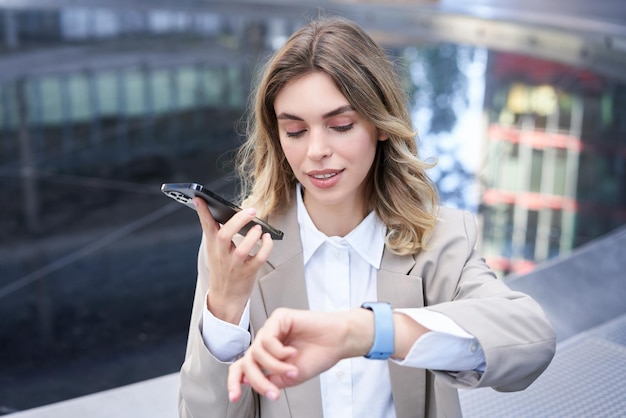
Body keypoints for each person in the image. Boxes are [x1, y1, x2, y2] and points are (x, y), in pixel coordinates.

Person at [179, 16, 556, 418]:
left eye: (340, 125)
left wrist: (367, 332)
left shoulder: (441, 237)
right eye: (295, 131)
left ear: (379, 123)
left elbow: (531, 339)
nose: (316, 151)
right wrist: (224, 309)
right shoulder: (241, 249)